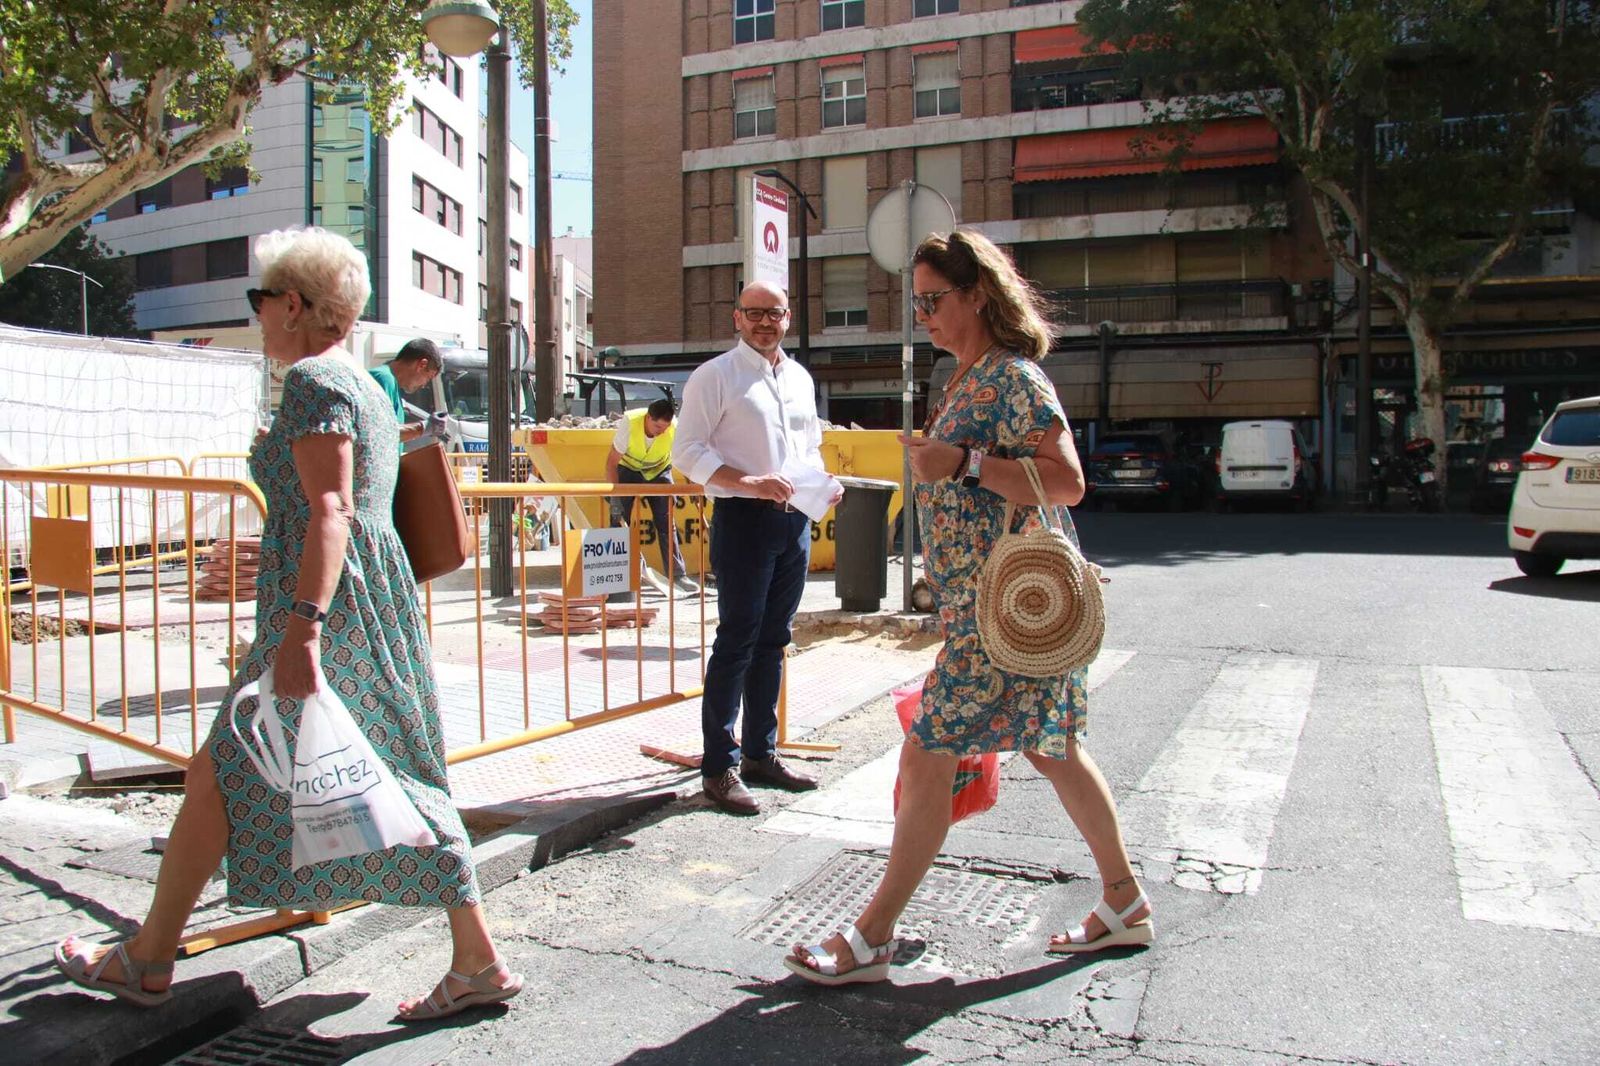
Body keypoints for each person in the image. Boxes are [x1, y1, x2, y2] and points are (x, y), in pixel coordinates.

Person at [52, 227, 522, 1022]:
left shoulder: (311, 379)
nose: (259, 315)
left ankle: (147, 960)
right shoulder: (367, 385)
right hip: (366, 601)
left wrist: (301, 627)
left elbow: (330, 509)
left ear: (296, 304)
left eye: (261, 299)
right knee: (298, 769)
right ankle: (154, 954)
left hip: (324, 610)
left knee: (326, 771)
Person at [784, 230, 1150, 986]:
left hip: (1007, 612)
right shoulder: (963, 379)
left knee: (930, 752)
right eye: (915, 301)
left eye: (932, 299)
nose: (922, 313)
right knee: (1053, 750)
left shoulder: (1014, 379)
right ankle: (1124, 903)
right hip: (989, 615)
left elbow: (1068, 483)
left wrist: (964, 463)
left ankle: (872, 935)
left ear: (976, 294)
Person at [673, 280, 841, 816]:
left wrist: (822, 480)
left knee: (774, 641)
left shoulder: (798, 377)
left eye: (775, 313)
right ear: (736, 318)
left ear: (788, 318)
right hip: (743, 520)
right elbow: (687, 452)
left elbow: (807, 445)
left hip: (794, 522)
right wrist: (747, 483)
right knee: (737, 642)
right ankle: (718, 767)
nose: (765, 322)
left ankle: (760, 754)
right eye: (755, 313)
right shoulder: (715, 376)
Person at [606, 397, 699, 596]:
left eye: (664, 428)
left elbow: (685, 458)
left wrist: (692, 486)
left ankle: (677, 575)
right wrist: (616, 497)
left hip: (659, 471)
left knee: (667, 523)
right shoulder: (630, 422)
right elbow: (612, 462)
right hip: (629, 470)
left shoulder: (675, 427)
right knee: (619, 521)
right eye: (657, 426)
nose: (661, 431)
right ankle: (618, 578)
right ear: (648, 418)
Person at [370, 338, 448, 444]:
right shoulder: (383, 379)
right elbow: (379, 433)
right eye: (428, 378)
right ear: (422, 365)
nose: (424, 385)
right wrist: (423, 428)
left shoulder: (391, 384)